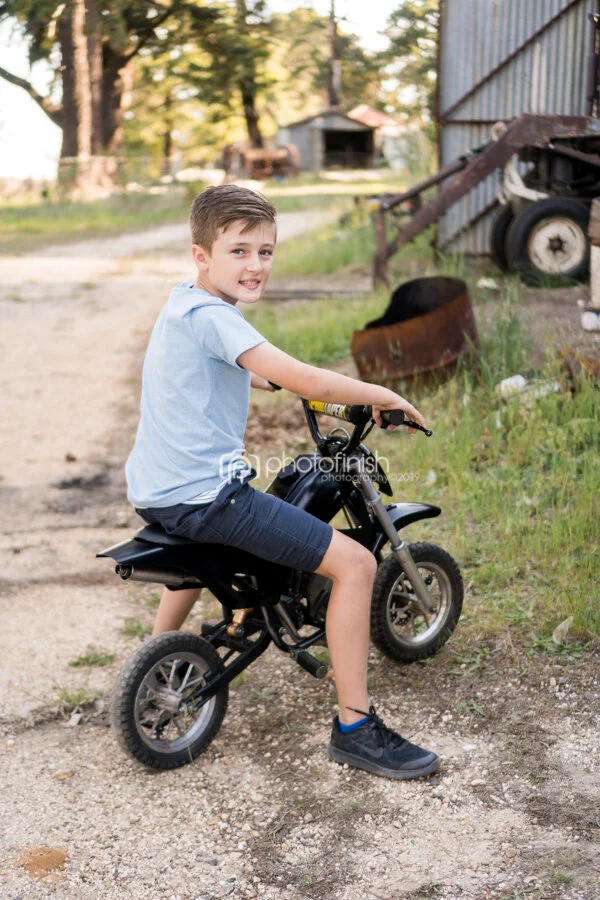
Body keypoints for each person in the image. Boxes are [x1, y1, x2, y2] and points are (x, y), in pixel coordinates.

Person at [125, 184, 439, 780]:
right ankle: (355, 727)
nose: (255, 265)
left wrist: (272, 383)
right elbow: (304, 379)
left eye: (265, 252)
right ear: (202, 254)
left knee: (204, 556)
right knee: (356, 565)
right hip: (207, 497)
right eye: (239, 251)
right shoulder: (216, 317)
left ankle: (155, 667)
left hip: (158, 492)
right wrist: (383, 394)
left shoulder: (184, 304)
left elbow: (248, 370)